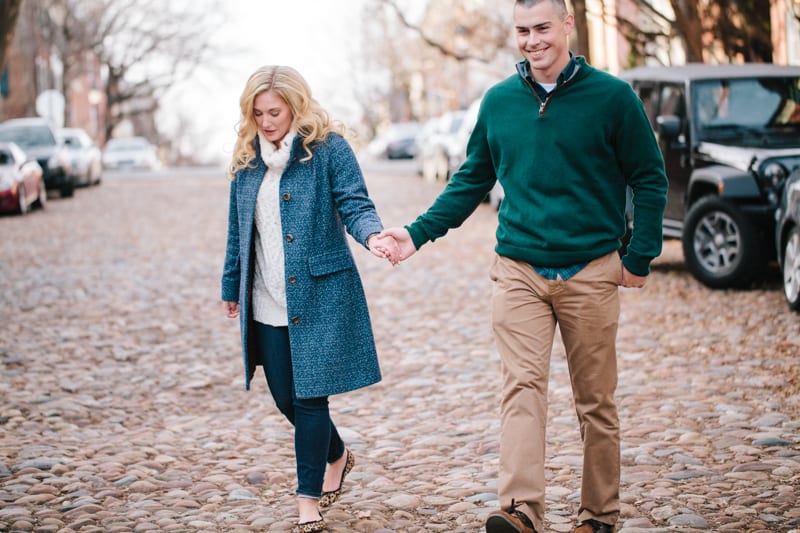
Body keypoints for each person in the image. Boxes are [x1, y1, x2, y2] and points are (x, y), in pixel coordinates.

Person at [380, 0, 668, 532]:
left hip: (590, 269)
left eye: (542, 28)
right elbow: (470, 182)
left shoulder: (612, 98)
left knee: (595, 402)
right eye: (522, 31)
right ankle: (521, 511)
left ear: (567, 26)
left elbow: (649, 178)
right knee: (522, 389)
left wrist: (639, 256)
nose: (533, 41)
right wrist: (416, 234)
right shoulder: (499, 102)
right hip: (518, 270)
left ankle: (599, 515)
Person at [221, 65, 399, 533]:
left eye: (274, 112)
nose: (266, 121)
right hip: (266, 299)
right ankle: (337, 454)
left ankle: (307, 505)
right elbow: (238, 231)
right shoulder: (246, 159)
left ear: (297, 107)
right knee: (284, 398)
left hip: (319, 294)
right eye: (257, 113)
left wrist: (373, 236)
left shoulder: (327, 150)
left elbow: (355, 204)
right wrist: (230, 285)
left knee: (310, 400)